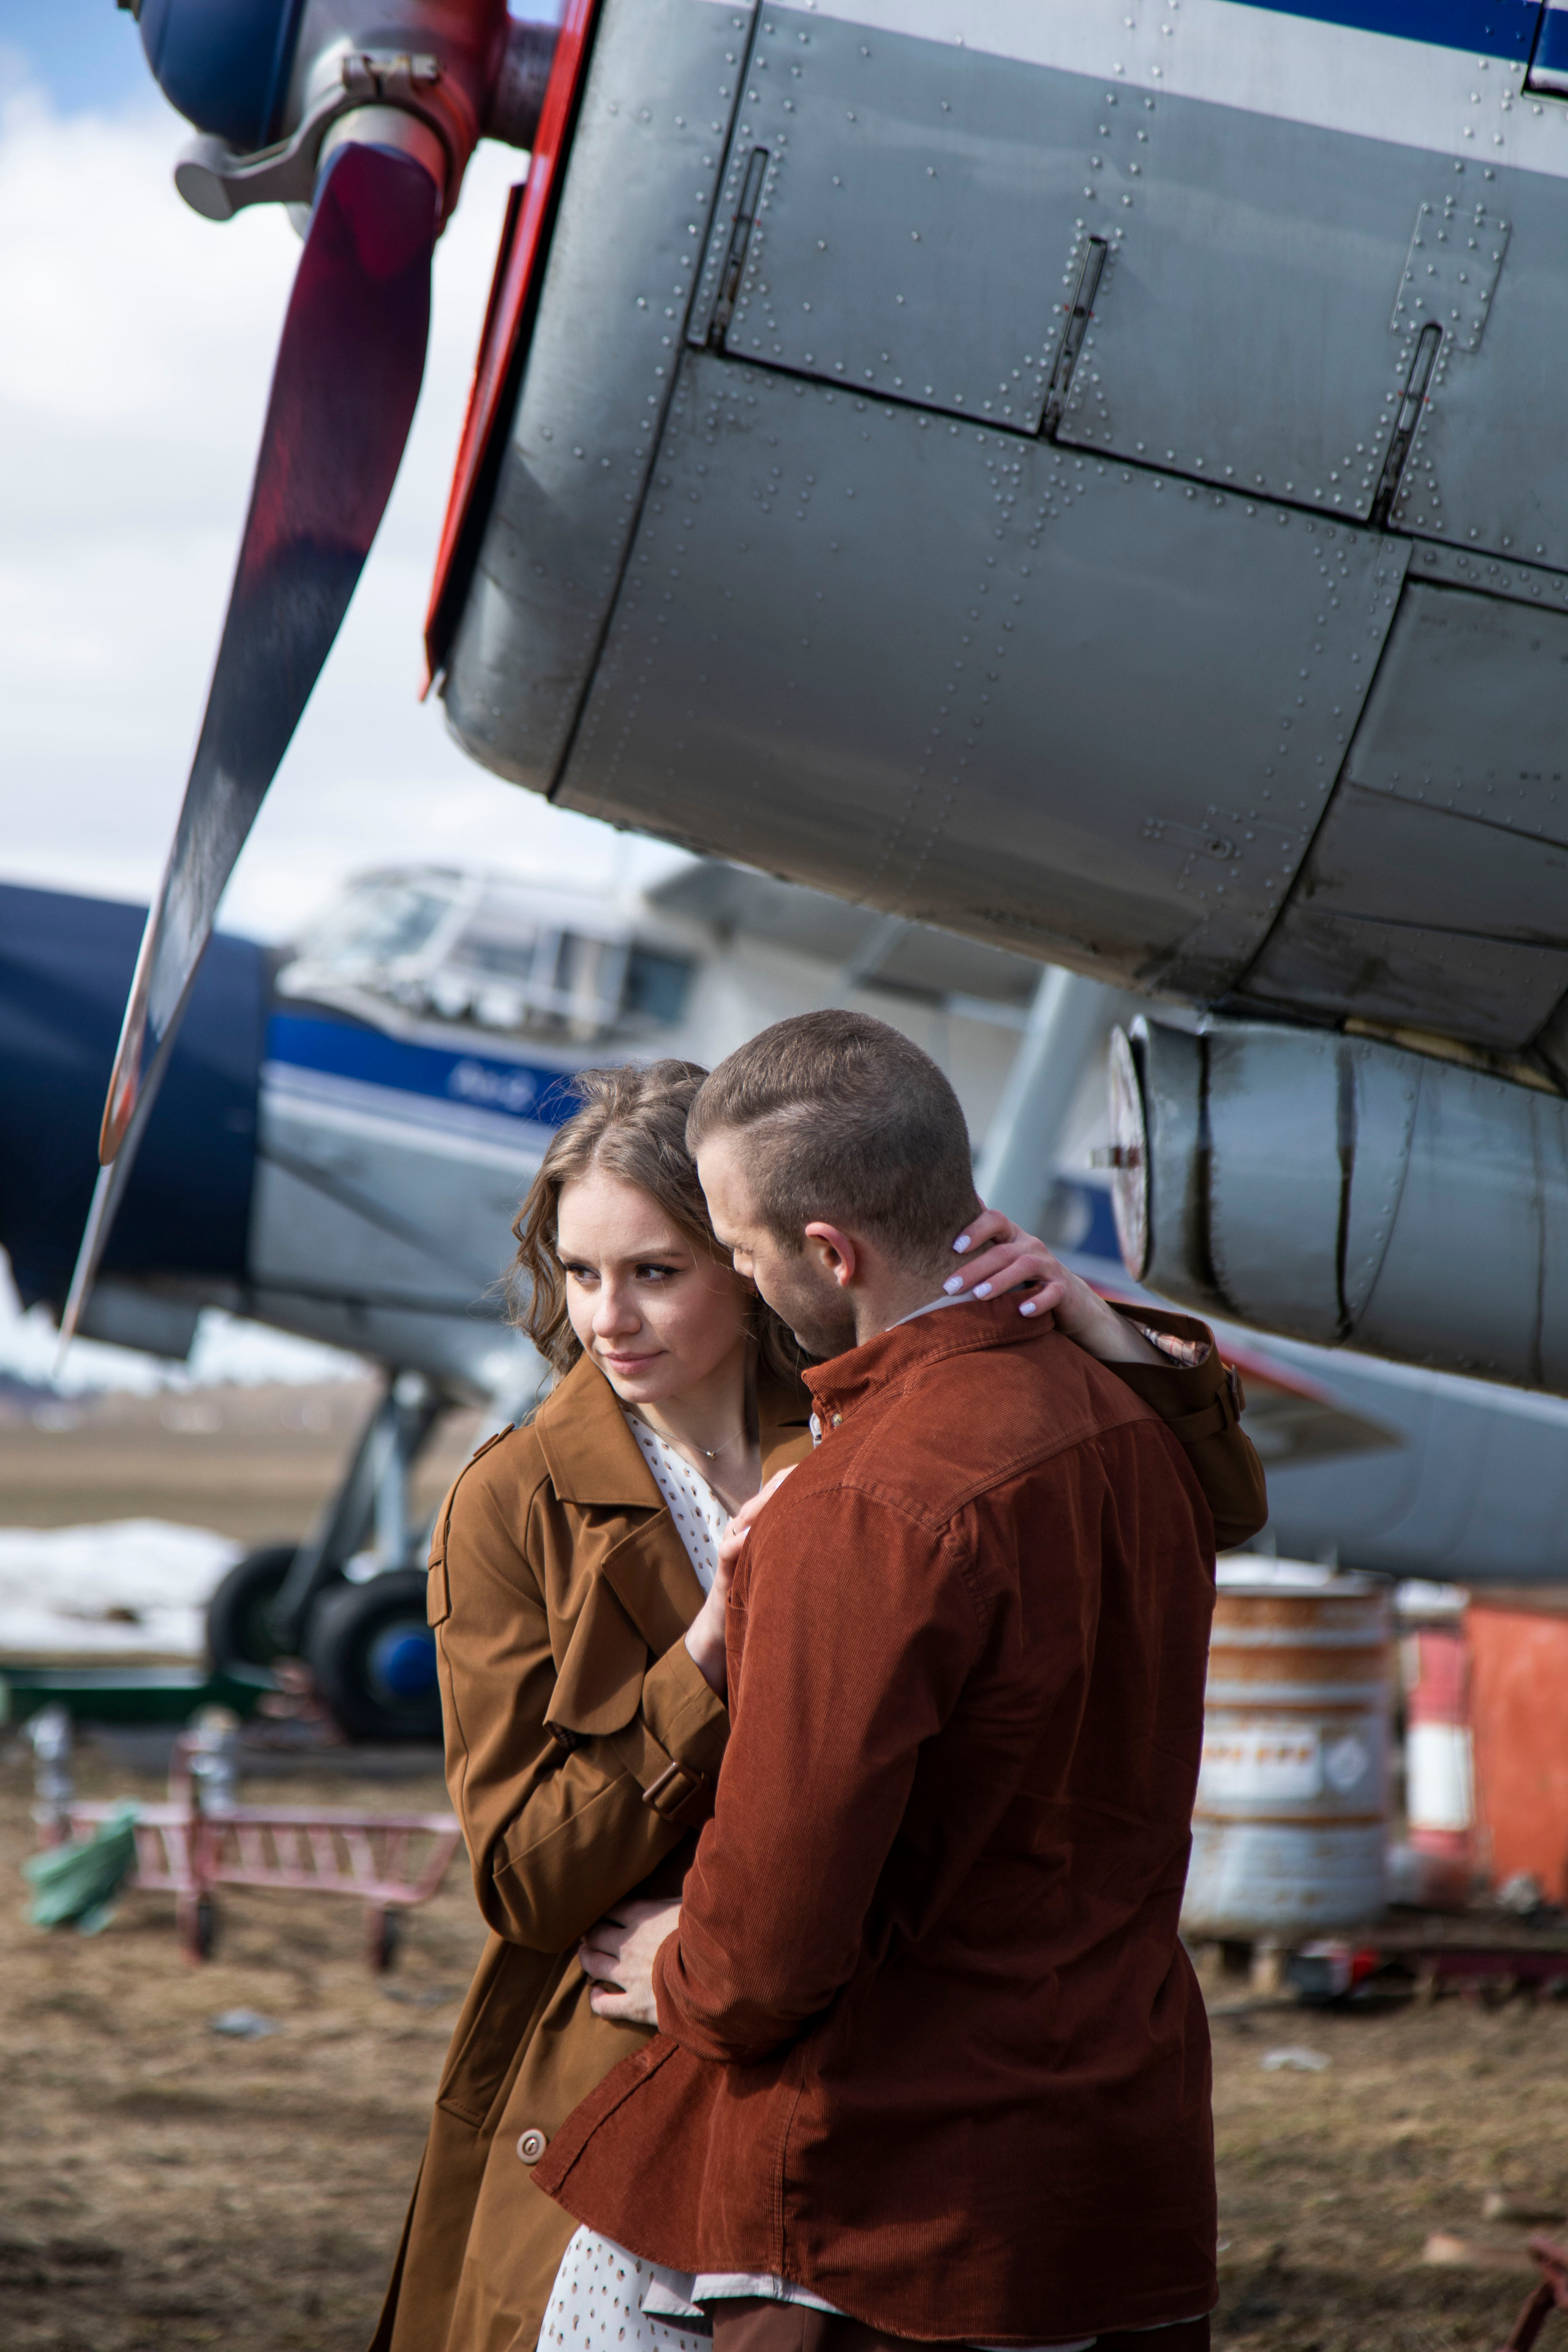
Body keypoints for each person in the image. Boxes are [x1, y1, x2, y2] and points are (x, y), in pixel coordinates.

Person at [371, 1053, 1264, 2352]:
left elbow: (1199, 1508)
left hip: (865, 2078)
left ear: (764, 1257)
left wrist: (1094, 1326)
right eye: (578, 1273)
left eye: (657, 1270)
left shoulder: (879, 1420)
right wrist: (705, 1655)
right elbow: (521, 1878)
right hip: (616, 2064)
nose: (606, 1318)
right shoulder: (514, 1500)